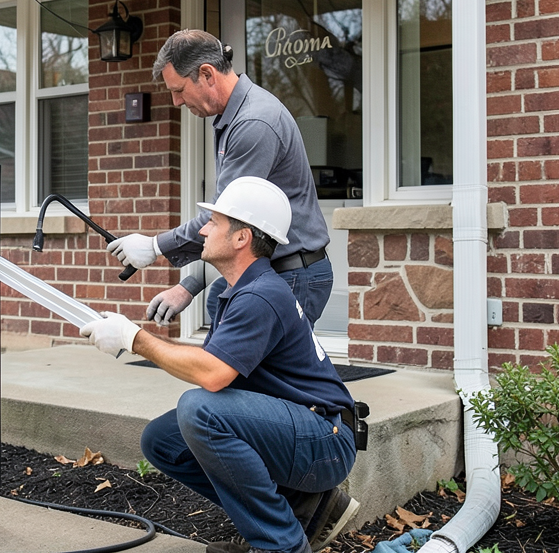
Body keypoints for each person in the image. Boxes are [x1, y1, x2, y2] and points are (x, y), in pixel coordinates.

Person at [82, 176, 359, 553]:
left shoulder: (260, 296)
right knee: (163, 441)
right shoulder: (236, 290)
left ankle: (280, 545)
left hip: (324, 439)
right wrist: (134, 338)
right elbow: (214, 367)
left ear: (242, 238)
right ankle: (301, 509)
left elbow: (212, 375)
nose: (205, 230)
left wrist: (135, 340)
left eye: (214, 222)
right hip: (304, 428)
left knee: (200, 410)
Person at [106, 29, 333, 327]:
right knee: (223, 320)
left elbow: (226, 218)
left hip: (292, 274)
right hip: (267, 269)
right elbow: (230, 229)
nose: (175, 102)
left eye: (179, 89)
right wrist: (188, 286)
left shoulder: (254, 122)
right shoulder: (235, 117)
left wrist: (154, 247)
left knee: (248, 371)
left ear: (207, 74)